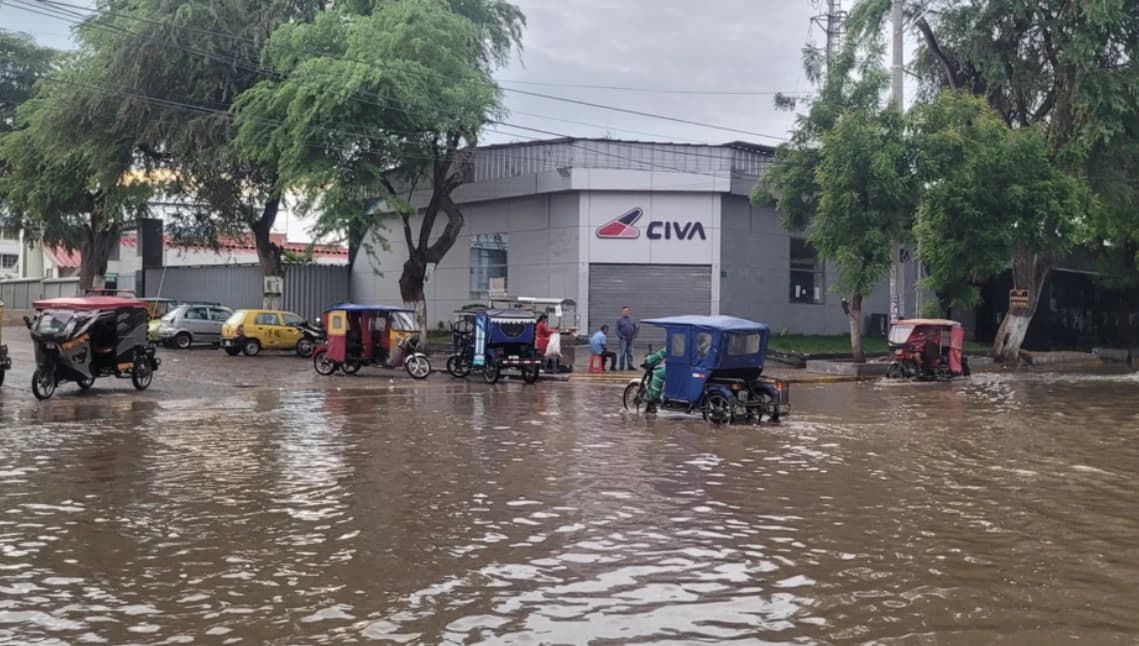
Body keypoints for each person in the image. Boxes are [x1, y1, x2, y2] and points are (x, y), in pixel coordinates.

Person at [643, 346, 668, 413]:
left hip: (677, 369)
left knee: (658, 373)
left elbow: (661, 354)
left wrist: (650, 358)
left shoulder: (675, 340)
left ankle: (654, 397)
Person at [616, 306, 638, 371]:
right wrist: (621, 336)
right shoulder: (619, 320)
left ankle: (630, 366)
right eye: (624, 311)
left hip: (631, 339)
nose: (626, 312)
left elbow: (635, 327)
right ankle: (621, 367)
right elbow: (616, 329)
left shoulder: (632, 319)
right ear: (622, 312)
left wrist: (635, 335)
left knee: (630, 353)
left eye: (627, 311)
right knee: (622, 354)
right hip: (623, 340)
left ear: (628, 312)